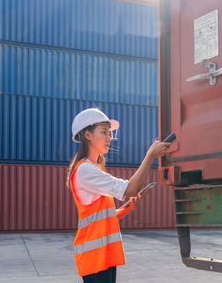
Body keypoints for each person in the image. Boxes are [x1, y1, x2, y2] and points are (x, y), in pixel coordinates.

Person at [67, 108, 169, 282]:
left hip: (102, 256)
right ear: (88, 135)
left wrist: (127, 208)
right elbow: (130, 189)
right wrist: (150, 155)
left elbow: (100, 217)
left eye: (110, 133)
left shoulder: (91, 169)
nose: (110, 138)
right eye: (104, 132)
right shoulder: (84, 170)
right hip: (95, 258)